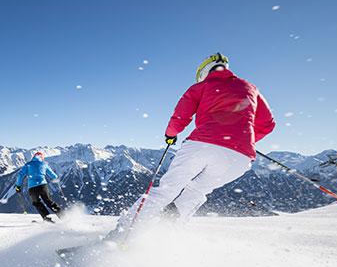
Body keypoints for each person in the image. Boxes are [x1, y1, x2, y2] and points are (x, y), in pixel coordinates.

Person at [116, 52, 275, 231]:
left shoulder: (202, 86)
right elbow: (268, 124)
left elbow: (181, 115)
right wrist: (244, 139)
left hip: (202, 145)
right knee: (195, 192)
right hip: (240, 157)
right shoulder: (251, 88)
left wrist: (171, 134)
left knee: (166, 191)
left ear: (204, 71)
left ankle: (123, 232)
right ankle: (165, 234)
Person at [15, 151, 63, 222]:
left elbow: (20, 175)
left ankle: (47, 218)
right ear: (42, 158)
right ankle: (62, 216)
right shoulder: (44, 164)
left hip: (32, 188)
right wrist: (56, 178)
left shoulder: (28, 164)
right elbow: (53, 176)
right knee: (49, 201)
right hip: (43, 186)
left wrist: (18, 186)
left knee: (37, 203)